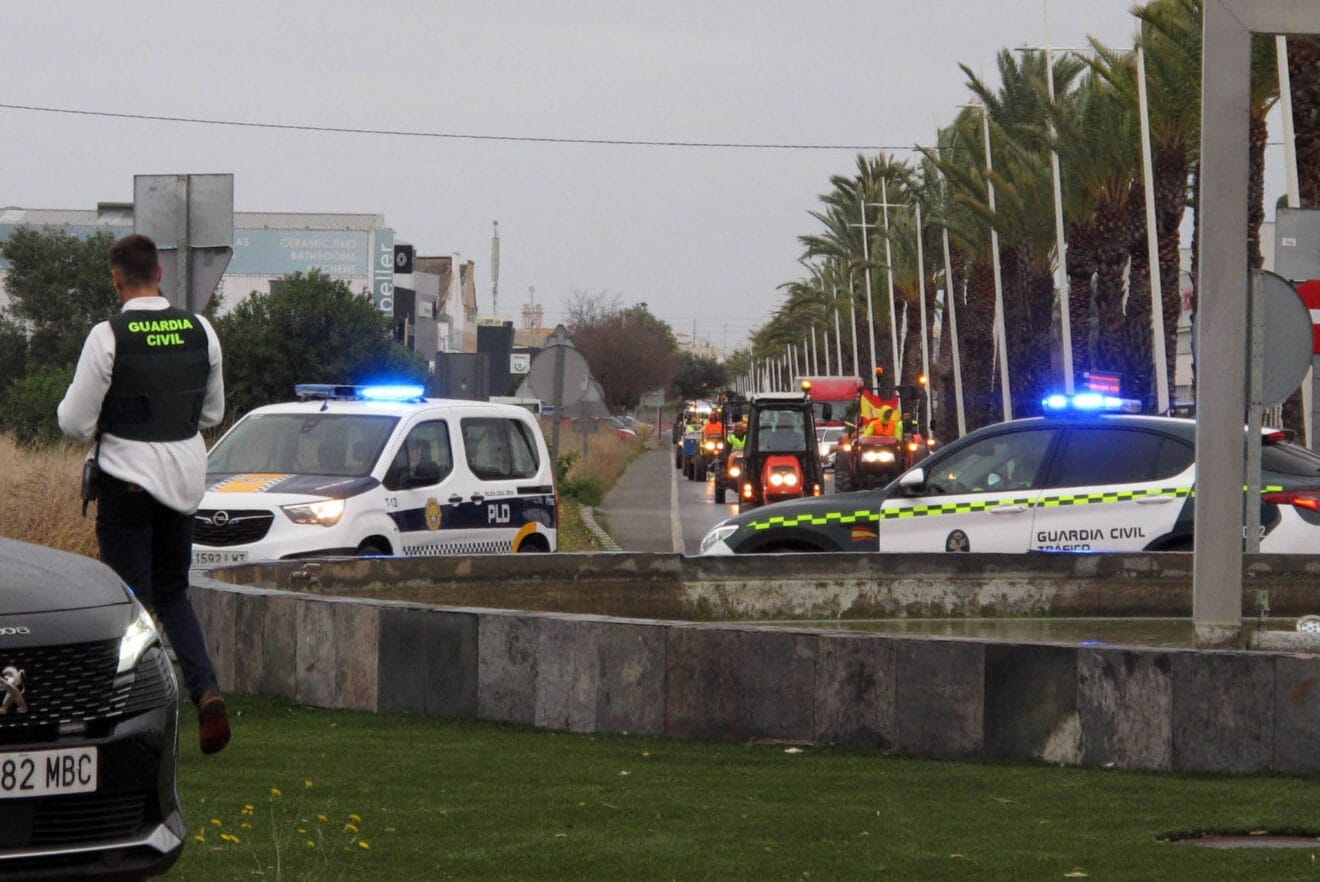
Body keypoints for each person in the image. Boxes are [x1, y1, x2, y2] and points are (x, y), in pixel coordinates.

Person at [58, 233, 231, 755]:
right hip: (183, 482)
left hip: (127, 482)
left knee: (130, 605)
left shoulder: (108, 335)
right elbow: (212, 414)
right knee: (174, 594)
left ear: (118, 280)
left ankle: (132, 712)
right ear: (160, 273)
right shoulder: (201, 330)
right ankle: (206, 691)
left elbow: (73, 421)